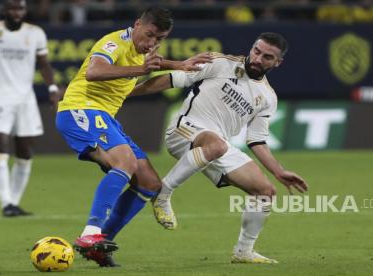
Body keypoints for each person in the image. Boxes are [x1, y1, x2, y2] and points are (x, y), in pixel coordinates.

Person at [130, 32, 308, 264]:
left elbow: (256, 140)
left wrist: (278, 171)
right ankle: (163, 194)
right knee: (217, 145)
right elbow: (172, 79)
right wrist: (128, 94)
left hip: (217, 146)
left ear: (277, 62)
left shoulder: (267, 98)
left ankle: (243, 251)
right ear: (251, 47)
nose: (257, 58)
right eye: (256, 51)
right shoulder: (220, 63)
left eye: (267, 56)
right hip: (183, 130)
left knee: (265, 192)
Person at [55, 6, 211, 267]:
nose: (151, 43)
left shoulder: (144, 49)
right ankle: (90, 233)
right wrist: (141, 71)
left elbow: (152, 63)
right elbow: (95, 71)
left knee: (149, 183)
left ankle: (100, 245)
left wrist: (180, 65)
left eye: (159, 39)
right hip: (80, 108)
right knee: (125, 163)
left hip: (104, 116)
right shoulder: (114, 42)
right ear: (137, 24)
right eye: (149, 35)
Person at [0, 0, 60, 217]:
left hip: (25, 99)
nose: (17, 13)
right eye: (12, 9)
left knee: (25, 151)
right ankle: (5, 202)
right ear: (4, 10)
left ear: (25, 11)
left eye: (20, 9)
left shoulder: (35, 33)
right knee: (0, 144)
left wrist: (53, 87)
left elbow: (44, 64)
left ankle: (14, 203)